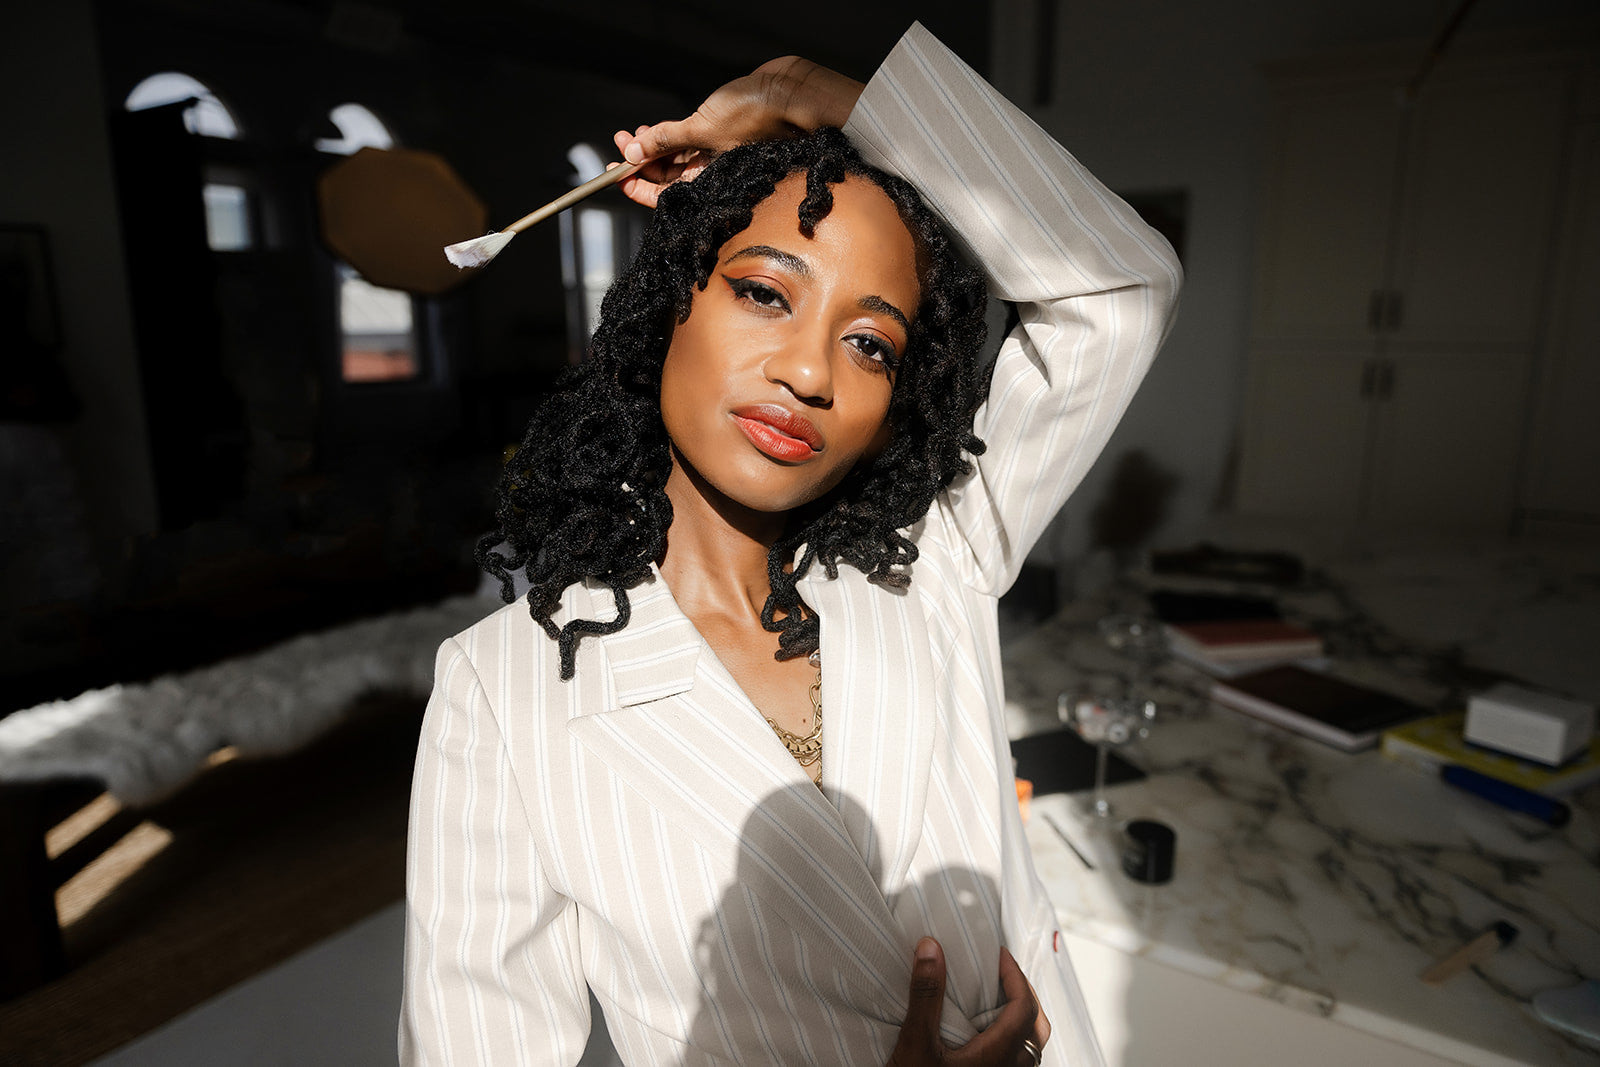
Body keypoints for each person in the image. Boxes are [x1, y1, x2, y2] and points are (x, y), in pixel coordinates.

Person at [401, 22, 1181, 1067]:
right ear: (665, 304)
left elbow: (1118, 289)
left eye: (870, 342)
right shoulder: (503, 690)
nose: (811, 372)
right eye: (764, 291)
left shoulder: (930, 560)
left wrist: (804, 88)